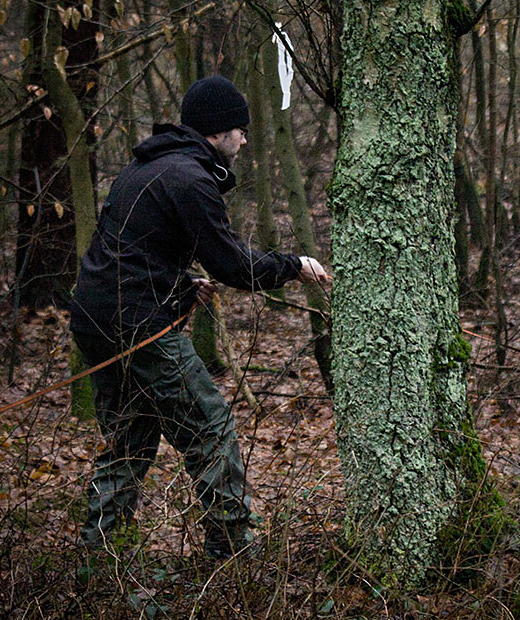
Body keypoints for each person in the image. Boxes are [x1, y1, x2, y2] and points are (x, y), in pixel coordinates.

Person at [69, 75, 328, 558]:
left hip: (94, 318)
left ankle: (99, 560)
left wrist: (182, 284)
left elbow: (127, 253)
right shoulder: (190, 179)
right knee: (211, 429)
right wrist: (295, 266)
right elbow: (234, 265)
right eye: (240, 129)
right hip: (138, 326)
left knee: (130, 438)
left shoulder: (146, 168)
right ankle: (229, 556)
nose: (246, 139)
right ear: (217, 131)